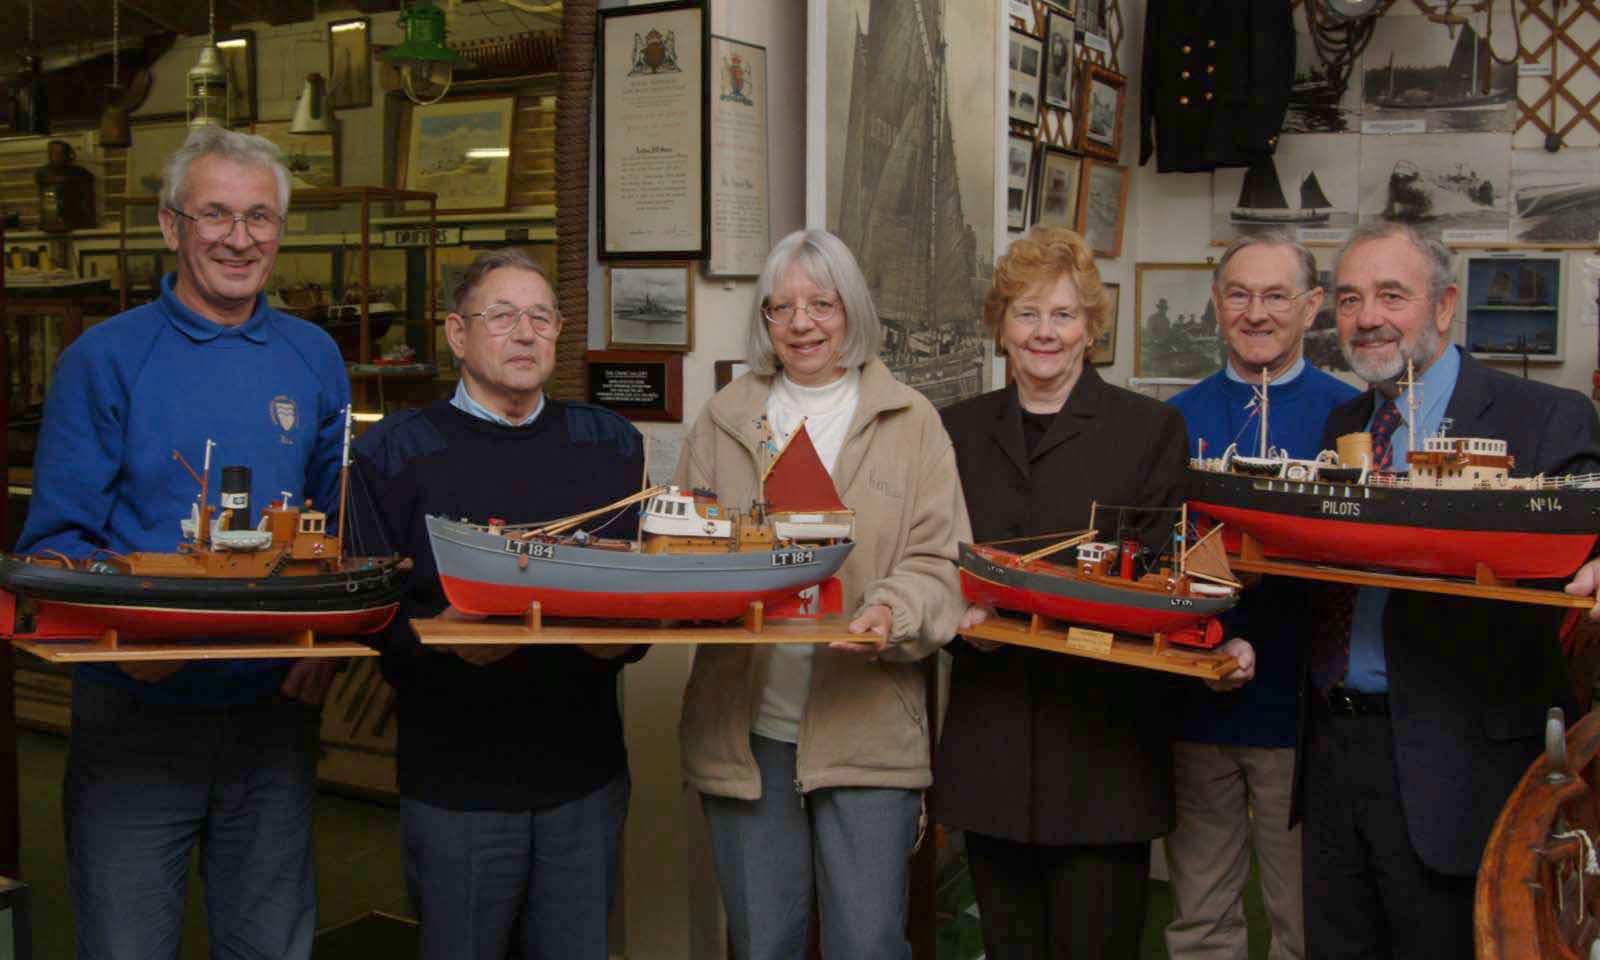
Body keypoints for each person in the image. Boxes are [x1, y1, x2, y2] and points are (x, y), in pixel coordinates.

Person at [16, 125, 348, 959]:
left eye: (260, 217)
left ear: (279, 229)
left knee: (270, 944)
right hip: (135, 717)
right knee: (127, 943)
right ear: (172, 225)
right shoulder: (104, 358)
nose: (240, 238)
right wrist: (131, 647)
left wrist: (329, 647)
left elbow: (339, 524)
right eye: (216, 215)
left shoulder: (314, 357)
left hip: (272, 718)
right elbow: (56, 541)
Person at [936, 226, 1255, 959]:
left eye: (1064, 314)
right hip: (991, 747)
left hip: (1106, 758)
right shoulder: (953, 430)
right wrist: (960, 624)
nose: (1044, 333)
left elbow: (1159, 573)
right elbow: (932, 562)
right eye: (1026, 313)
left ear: (1091, 326)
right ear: (1000, 325)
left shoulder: (1150, 430)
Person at [1303, 220, 1600, 959]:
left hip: (1461, 765)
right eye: (1349, 299)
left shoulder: (1543, 416)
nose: (1366, 317)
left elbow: (1589, 521)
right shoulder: (1343, 423)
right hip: (1336, 754)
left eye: (1391, 295)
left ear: (1443, 306)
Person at [675, 228, 969, 959]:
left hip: (868, 727)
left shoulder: (913, 422)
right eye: (781, 308)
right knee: (762, 944)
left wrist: (892, 611)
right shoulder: (723, 418)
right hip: (747, 736)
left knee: (867, 944)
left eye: (821, 304)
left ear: (852, 310)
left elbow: (941, 564)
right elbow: (682, 547)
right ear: (766, 321)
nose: (801, 323)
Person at [347, 248, 645, 960]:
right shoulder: (391, 452)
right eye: (503, 315)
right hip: (456, 786)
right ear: (458, 333)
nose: (525, 333)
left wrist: (627, 639)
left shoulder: (610, 445)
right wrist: (436, 639)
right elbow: (366, 615)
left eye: (541, 317)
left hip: (584, 778)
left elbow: (638, 597)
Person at [1166, 233, 1356, 960]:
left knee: (1303, 922)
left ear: (1311, 307)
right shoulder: (1172, 419)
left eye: (1277, 295)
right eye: (1240, 294)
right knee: (1199, 917)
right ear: (1217, 304)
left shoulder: (1353, 418)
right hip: (1196, 705)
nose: (1256, 313)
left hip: (1304, 718)